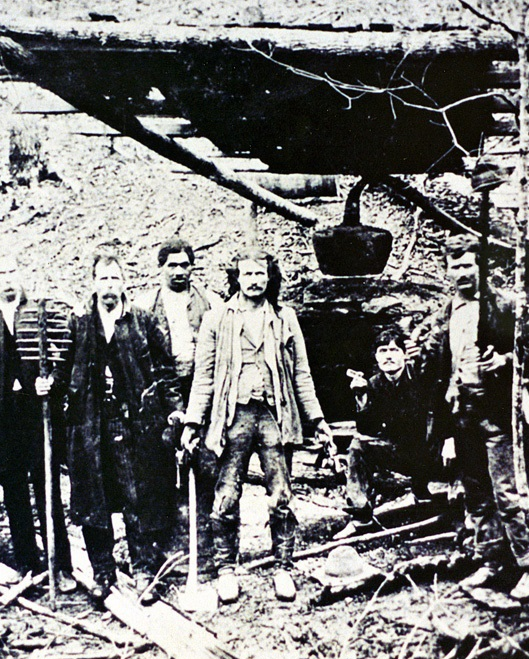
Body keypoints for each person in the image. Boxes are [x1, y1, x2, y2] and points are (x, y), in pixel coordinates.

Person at [182, 248, 336, 604]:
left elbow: (301, 374)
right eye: (247, 274)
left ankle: (283, 566)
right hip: (231, 417)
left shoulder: (285, 317)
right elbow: (203, 377)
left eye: (260, 274)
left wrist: (317, 420)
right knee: (226, 496)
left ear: (270, 278)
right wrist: (193, 422)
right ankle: (226, 569)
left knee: (281, 494)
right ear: (236, 277)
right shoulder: (217, 318)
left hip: (274, 416)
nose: (254, 281)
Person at [414, 234, 529, 600]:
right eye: (454, 266)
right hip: (463, 416)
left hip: (499, 415)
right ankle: (491, 562)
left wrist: (506, 360)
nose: (461, 273)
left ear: (481, 266)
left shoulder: (504, 306)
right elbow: (440, 372)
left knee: (507, 493)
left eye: (467, 265)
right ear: (446, 269)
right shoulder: (446, 313)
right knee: (477, 494)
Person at [61, 247, 183, 603]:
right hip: (90, 424)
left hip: (137, 423)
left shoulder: (142, 320)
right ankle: (102, 571)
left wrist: (174, 409)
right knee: (93, 499)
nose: (110, 285)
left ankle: (145, 570)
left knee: (139, 496)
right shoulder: (79, 322)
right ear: (93, 282)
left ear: (124, 281)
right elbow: (62, 370)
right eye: (103, 278)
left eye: (115, 278)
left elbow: (165, 371)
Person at [0, 253, 76, 593]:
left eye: (13, 269)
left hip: (37, 414)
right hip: (3, 420)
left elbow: (64, 356)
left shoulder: (39, 311)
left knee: (47, 489)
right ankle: (29, 562)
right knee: (14, 492)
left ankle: (61, 565)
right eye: (2, 271)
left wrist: (52, 382)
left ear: (21, 272)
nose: (9, 277)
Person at [134, 238, 221, 574]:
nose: (179, 271)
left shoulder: (210, 303)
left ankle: (206, 542)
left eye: (185, 265)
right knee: (161, 466)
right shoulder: (144, 306)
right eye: (172, 265)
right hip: (160, 394)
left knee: (204, 462)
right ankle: (166, 544)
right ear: (160, 269)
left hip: (201, 388)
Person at [341, 328, 450, 536]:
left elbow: (444, 407)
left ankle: (457, 508)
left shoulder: (422, 375)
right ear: (375, 356)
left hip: (434, 451)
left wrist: (450, 439)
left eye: (394, 350)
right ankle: (361, 516)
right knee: (358, 446)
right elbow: (367, 430)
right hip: (403, 453)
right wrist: (361, 397)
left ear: (404, 354)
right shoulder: (374, 383)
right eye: (382, 351)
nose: (388, 356)